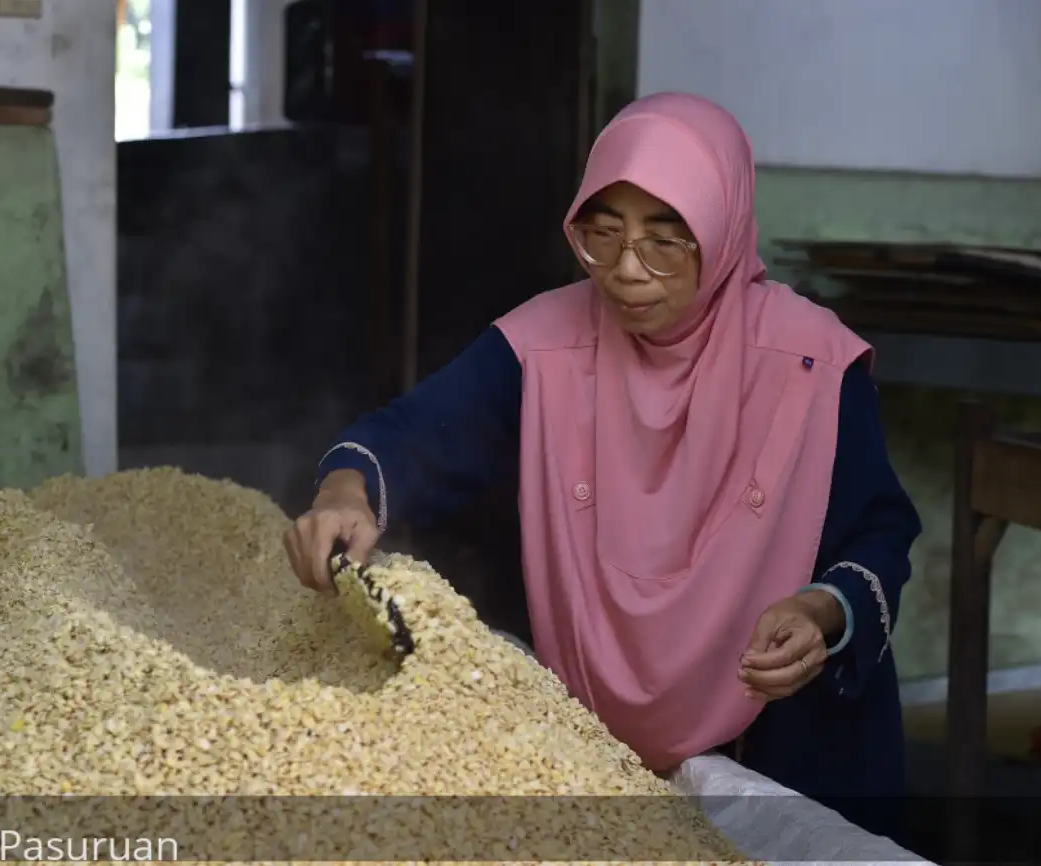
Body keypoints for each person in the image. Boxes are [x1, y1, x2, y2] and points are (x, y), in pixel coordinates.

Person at [283, 92, 922, 844]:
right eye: (601, 233)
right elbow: (412, 434)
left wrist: (823, 612)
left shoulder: (812, 361)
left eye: (664, 239)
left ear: (720, 234)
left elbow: (879, 532)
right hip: (605, 743)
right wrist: (344, 491)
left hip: (792, 735)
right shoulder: (543, 345)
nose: (625, 270)